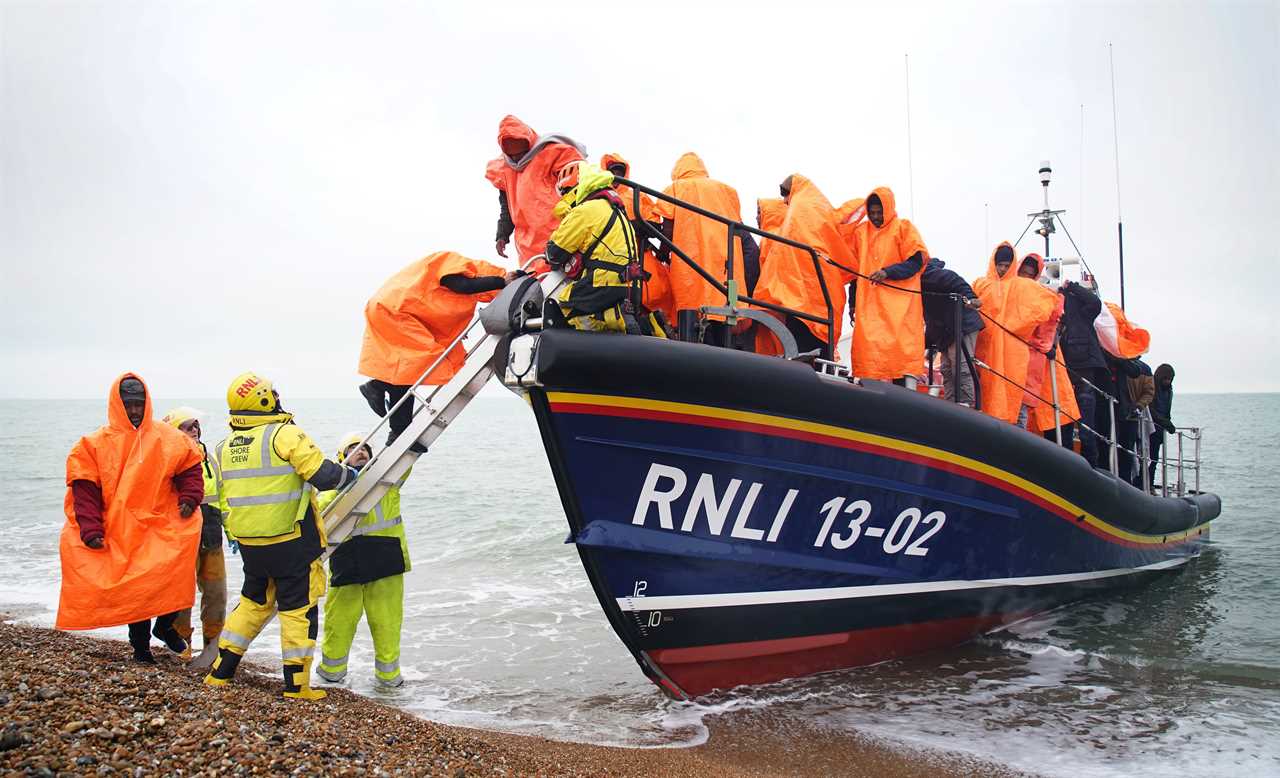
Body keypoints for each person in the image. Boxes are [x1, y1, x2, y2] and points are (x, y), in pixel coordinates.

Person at [204, 372, 359, 700]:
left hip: (251, 545)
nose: (276, 396)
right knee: (298, 608)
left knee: (252, 603)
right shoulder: (285, 435)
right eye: (271, 393)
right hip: (291, 542)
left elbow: (225, 496)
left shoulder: (224, 446)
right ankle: (297, 686)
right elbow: (324, 475)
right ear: (262, 399)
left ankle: (221, 672)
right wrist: (351, 474)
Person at [57, 375, 204, 664]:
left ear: (147, 403)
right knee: (136, 590)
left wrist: (190, 497)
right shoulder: (93, 444)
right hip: (120, 528)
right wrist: (90, 528)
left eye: (139, 404)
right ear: (117, 405)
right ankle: (141, 648)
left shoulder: (169, 437)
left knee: (174, 575)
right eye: (129, 405)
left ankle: (165, 626)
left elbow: (190, 469)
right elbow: (84, 489)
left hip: (162, 522)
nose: (134, 411)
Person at [358, 252, 515, 450]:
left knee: (406, 373)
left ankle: (397, 430)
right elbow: (463, 285)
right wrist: (501, 281)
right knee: (413, 368)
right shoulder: (455, 264)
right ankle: (379, 390)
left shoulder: (445, 273)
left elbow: (435, 303)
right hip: (396, 311)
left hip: (391, 309)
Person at [316, 433, 410, 688]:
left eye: (365, 448)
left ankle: (389, 679)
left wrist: (401, 435)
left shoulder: (387, 480)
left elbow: (407, 459)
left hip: (385, 561)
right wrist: (343, 484)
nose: (361, 452)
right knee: (339, 622)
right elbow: (320, 511)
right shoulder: (331, 490)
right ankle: (331, 674)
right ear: (341, 458)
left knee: (387, 623)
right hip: (348, 563)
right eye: (353, 449)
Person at [546, 162, 666, 337]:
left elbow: (554, 253)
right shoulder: (615, 209)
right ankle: (649, 325)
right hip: (629, 284)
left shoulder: (585, 211)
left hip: (602, 281)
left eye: (564, 193)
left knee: (564, 306)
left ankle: (617, 320)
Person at [652, 152, 758, 343]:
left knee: (694, 317)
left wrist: (662, 253)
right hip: (726, 268)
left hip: (692, 267)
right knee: (722, 318)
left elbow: (667, 228)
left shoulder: (675, 188)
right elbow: (738, 228)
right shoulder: (727, 191)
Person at [753, 174, 855, 359]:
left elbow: (785, 259)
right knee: (814, 345)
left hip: (801, 295)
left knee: (803, 346)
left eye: (785, 197)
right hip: (819, 292)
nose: (785, 202)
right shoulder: (818, 206)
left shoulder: (798, 210)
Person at [161, 407, 229, 657]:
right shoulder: (166, 461)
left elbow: (222, 497)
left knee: (216, 594)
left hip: (211, 535)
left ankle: (212, 647)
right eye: (187, 426)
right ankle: (180, 646)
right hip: (180, 538)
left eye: (196, 425)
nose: (194, 430)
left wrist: (231, 533)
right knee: (180, 595)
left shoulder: (210, 459)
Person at [846, 187, 928, 383]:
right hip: (869, 310)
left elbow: (916, 262)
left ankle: (904, 404)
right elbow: (854, 272)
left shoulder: (903, 228)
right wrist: (852, 304)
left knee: (900, 362)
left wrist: (887, 272)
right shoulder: (860, 233)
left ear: (888, 209)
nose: (875, 217)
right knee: (869, 360)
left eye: (879, 212)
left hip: (900, 311)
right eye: (872, 213)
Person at [971, 243, 1058, 423]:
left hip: (1011, 355)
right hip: (983, 351)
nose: (1002, 269)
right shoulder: (980, 284)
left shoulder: (1023, 286)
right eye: (1000, 264)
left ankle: (1016, 445)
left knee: (1014, 398)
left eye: (1006, 265)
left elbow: (1051, 304)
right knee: (984, 398)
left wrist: (1016, 327)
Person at [485, 115, 585, 270]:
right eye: (512, 155)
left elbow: (577, 184)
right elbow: (506, 209)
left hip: (561, 235)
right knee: (537, 288)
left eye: (521, 152)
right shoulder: (503, 170)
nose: (518, 158)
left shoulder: (553, 152)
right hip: (528, 246)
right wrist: (502, 235)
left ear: (529, 143)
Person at [601, 153, 673, 324]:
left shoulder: (636, 195)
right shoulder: (599, 196)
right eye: (613, 171)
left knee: (659, 291)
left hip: (639, 253)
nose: (617, 175)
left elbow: (655, 224)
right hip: (609, 256)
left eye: (620, 170)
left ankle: (659, 325)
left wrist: (635, 225)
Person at [919, 256, 983, 405]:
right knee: (946, 368)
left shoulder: (931, 275)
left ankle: (966, 404)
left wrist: (971, 297)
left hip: (963, 325)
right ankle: (950, 403)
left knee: (960, 366)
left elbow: (956, 282)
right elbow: (930, 316)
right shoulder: (918, 280)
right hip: (946, 329)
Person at [1058, 279, 1108, 466]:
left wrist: (1072, 287)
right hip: (1061, 371)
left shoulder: (1081, 312)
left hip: (1083, 369)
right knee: (1064, 421)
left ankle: (1090, 464)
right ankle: (1067, 462)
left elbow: (1095, 303)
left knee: (1086, 422)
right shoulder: (1049, 308)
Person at [1149, 363, 1176, 486]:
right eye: (1165, 378)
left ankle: (1150, 483)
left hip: (1160, 430)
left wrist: (1167, 422)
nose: (1168, 381)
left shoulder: (1169, 391)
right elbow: (1150, 409)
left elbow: (1167, 410)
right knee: (1147, 458)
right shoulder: (1152, 387)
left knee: (1154, 459)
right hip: (1150, 428)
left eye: (1170, 379)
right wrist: (1164, 422)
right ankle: (1144, 482)